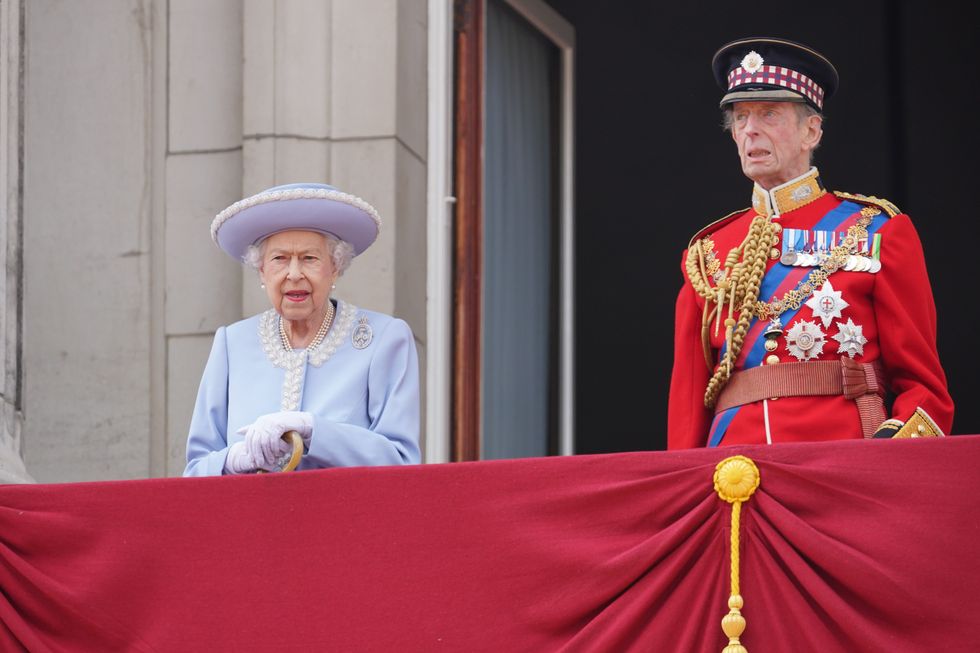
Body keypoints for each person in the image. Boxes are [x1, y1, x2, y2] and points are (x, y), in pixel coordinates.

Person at [668, 37, 953, 449]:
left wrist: (890, 453)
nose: (750, 129)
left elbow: (925, 390)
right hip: (732, 472)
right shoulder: (708, 251)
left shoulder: (876, 231)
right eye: (741, 117)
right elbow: (688, 405)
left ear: (811, 131)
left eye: (768, 114)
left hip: (843, 467)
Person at [184, 182, 421, 475]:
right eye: (279, 259)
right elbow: (195, 470)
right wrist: (233, 460)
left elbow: (401, 462)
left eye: (309, 258)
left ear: (335, 267)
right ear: (261, 271)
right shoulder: (232, 344)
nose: (294, 274)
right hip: (251, 519)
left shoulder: (384, 339)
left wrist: (313, 431)